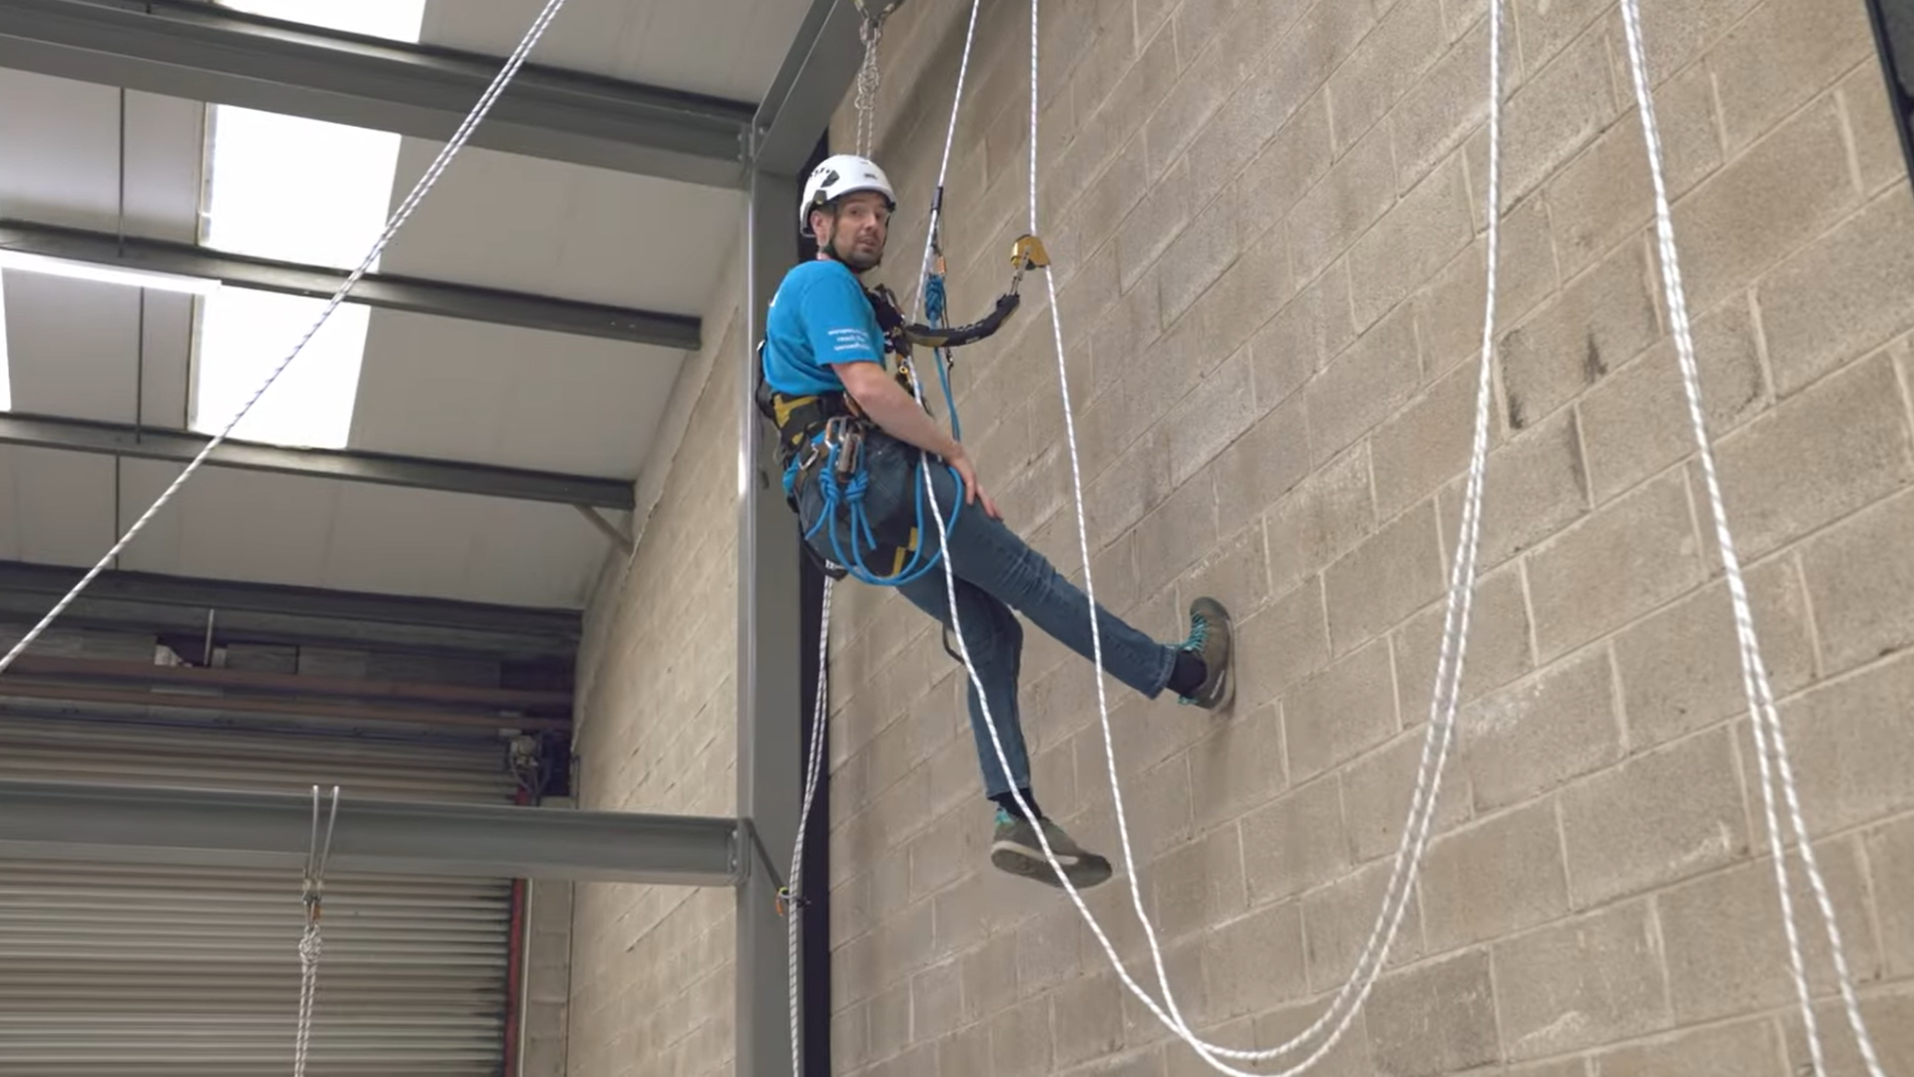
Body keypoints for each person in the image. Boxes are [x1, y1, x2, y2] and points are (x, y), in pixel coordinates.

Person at [757, 153, 1235, 890]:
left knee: (989, 629)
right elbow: (866, 386)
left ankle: (1015, 814)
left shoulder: (823, 301)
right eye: (854, 211)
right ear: (818, 224)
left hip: (843, 516)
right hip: (882, 483)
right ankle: (1186, 672)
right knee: (1030, 581)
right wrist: (951, 450)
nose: (872, 223)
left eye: (880, 213)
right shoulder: (817, 280)